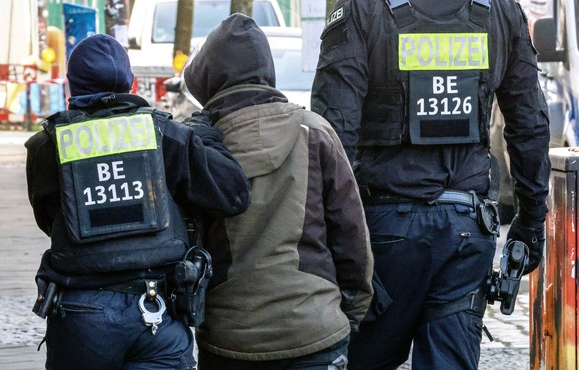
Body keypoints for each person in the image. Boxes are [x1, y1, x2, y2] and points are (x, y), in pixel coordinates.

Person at [311, 1, 551, 369]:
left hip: (384, 232)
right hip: (467, 229)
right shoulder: (500, 9)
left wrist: (333, 240)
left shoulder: (362, 9)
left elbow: (332, 132)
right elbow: (529, 124)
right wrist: (531, 222)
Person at [25, 34, 250, 370]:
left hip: (82, 316)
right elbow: (233, 194)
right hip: (157, 310)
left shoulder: (47, 145)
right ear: (130, 83)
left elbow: (49, 220)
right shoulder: (165, 135)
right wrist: (203, 136)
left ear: (71, 88)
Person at [182, 13, 374, 370]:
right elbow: (352, 237)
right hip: (314, 332)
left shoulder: (198, 147)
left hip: (229, 339)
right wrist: (347, 314)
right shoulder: (314, 131)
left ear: (209, 79)